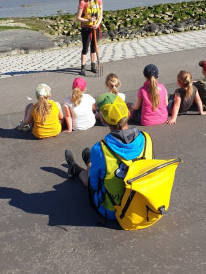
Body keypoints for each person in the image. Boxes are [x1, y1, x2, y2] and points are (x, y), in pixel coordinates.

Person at [64, 93, 152, 221]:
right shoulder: (146, 138)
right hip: (142, 205)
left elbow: (94, 185)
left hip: (114, 212)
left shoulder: (100, 148)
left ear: (103, 120)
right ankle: (85, 163)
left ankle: (77, 168)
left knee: (92, 177)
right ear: (128, 112)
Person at [76, 0, 103, 76]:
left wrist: (97, 24)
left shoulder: (99, 0)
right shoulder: (83, 2)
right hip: (86, 28)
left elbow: (100, 15)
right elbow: (78, 17)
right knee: (85, 48)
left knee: (94, 48)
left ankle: (93, 66)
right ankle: (82, 67)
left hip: (96, 27)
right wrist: (88, 19)